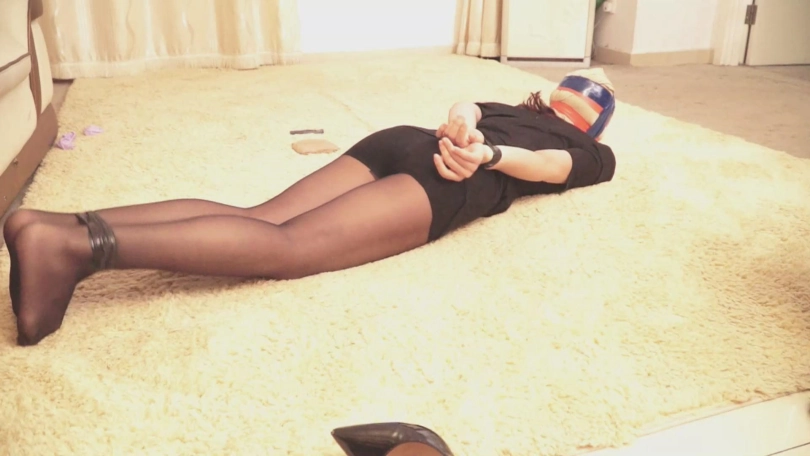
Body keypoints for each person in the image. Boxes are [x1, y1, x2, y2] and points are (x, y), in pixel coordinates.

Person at [4, 68, 617, 346]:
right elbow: (549, 167)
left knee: (258, 216)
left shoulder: (511, 110)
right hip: (446, 179)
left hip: (402, 140)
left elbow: (470, 109)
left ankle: (53, 225)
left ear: (549, 99)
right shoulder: (593, 152)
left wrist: (464, 127)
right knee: (290, 248)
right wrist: (484, 154)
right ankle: (76, 249)